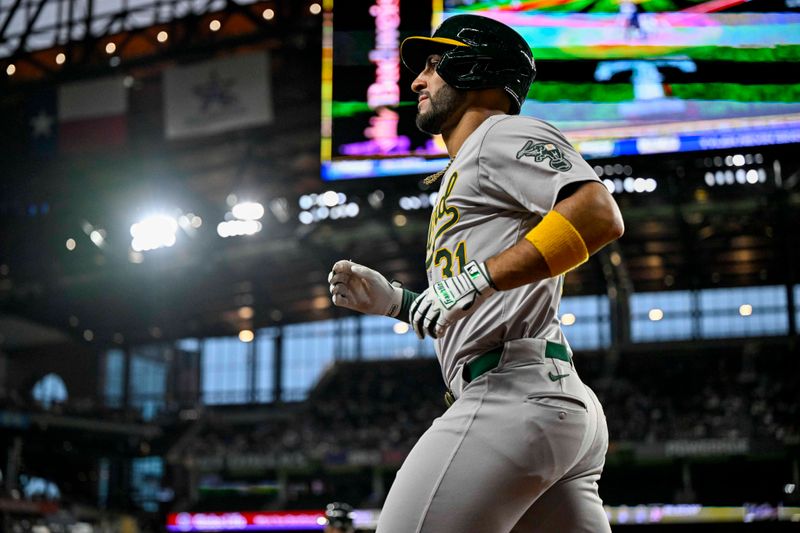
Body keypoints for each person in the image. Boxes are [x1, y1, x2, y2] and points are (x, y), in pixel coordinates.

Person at [328, 14, 624, 532]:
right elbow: (477, 300)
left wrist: (472, 279)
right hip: (547, 397)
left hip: (513, 395)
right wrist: (400, 302)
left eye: (434, 66)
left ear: (474, 68)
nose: (417, 80)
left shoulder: (497, 133)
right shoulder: (473, 160)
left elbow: (598, 214)